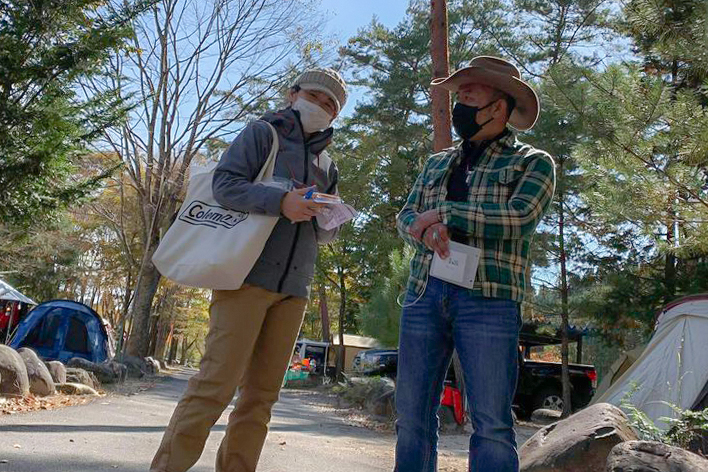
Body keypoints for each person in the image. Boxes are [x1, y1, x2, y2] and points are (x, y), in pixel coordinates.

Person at [150, 68, 347, 472]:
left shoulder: (327, 165)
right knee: (214, 387)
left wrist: (330, 217)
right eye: (315, 96)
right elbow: (224, 185)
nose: (322, 106)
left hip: (295, 289)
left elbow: (323, 232)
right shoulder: (263, 133)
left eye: (331, 104)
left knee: (260, 400)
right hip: (245, 277)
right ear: (293, 94)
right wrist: (281, 201)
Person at [394, 56, 556, 472]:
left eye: (470, 93)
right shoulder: (437, 162)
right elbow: (407, 215)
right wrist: (423, 230)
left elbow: (520, 218)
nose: (459, 100)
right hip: (424, 293)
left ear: (498, 106)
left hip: (490, 299)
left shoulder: (532, 162)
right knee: (411, 416)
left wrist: (446, 214)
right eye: (459, 93)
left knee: (492, 423)